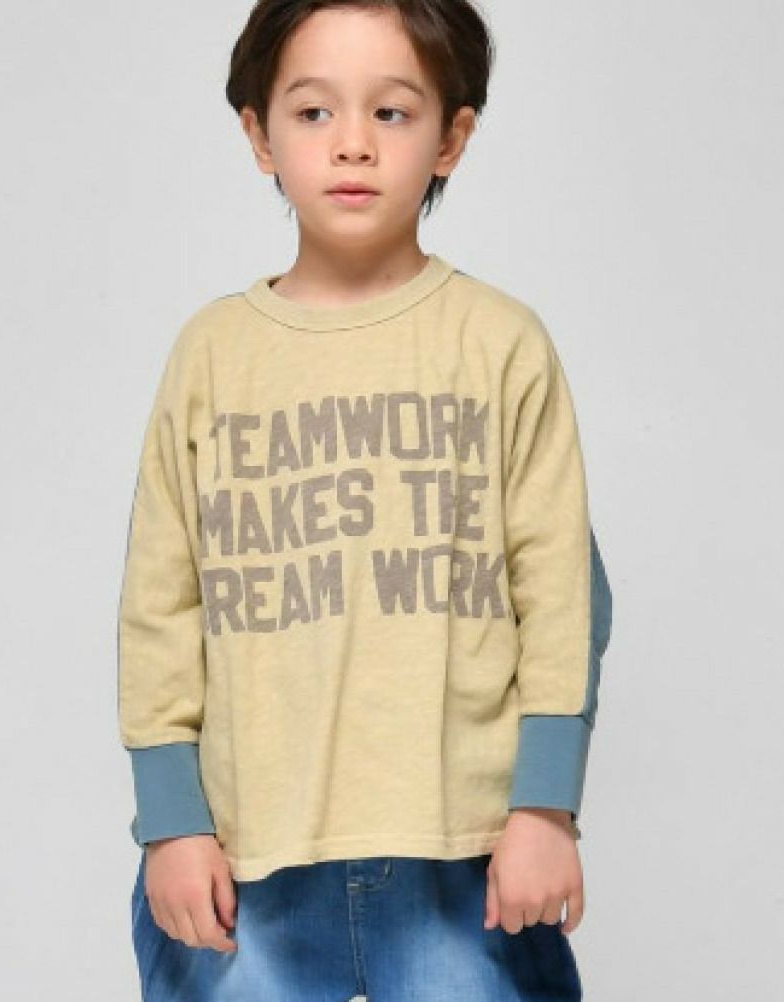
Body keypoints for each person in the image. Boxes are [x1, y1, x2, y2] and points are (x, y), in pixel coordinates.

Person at [118, 1, 614, 999]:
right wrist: (170, 820)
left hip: (465, 850)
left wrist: (545, 806)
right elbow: (161, 603)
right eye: (313, 113)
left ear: (452, 138)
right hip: (246, 855)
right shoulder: (212, 354)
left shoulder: (500, 345)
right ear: (259, 133)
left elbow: (562, 591)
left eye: (391, 112)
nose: (352, 144)